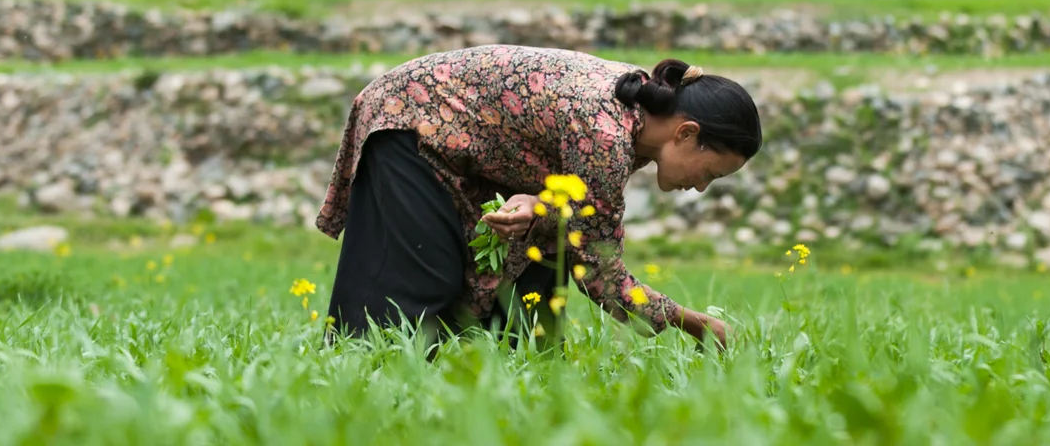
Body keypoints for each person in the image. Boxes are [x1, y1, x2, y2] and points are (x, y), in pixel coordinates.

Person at [316, 46, 759, 344]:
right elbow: (598, 268)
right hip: (413, 119)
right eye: (711, 174)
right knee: (425, 273)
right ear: (687, 133)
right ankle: (358, 367)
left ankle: (504, 367)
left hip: (476, 142)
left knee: (541, 260)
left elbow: (568, 215)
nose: (700, 187)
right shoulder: (606, 132)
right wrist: (694, 324)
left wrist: (536, 204)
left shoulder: (637, 123)